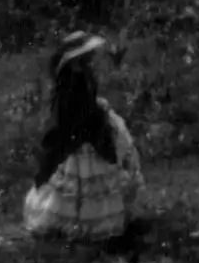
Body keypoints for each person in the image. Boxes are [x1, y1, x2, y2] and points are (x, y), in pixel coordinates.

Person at [23, 32, 143, 241]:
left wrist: (98, 107)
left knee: (92, 180)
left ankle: (90, 221)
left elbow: (87, 103)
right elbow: (73, 113)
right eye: (86, 54)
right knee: (78, 184)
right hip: (80, 135)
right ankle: (78, 223)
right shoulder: (70, 81)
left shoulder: (83, 74)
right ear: (75, 59)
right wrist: (96, 111)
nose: (91, 56)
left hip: (90, 129)